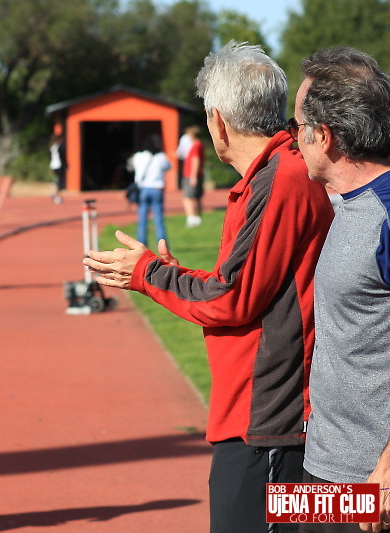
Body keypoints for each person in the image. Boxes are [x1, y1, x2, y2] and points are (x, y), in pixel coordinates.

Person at [83, 41, 333, 533]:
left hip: (269, 425)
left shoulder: (280, 179)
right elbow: (245, 285)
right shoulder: (273, 174)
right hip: (267, 419)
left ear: (217, 121)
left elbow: (231, 300)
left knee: (272, 521)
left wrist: (147, 273)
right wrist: (168, 276)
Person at [292, 47, 390, 533]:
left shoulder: (386, 216)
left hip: (373, 485)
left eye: (297, 129)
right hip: (324, 468)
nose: (294, 142)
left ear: (324, 136)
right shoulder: (346, 204)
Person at [129, 134, 170, 247]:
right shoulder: (161, 157)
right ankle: (163, 246)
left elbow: (131, 166)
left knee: (142, 220)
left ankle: (141, 245)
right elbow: (168, 166)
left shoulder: (138, 156)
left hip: (143, 189)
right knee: (158, 220)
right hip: (157, 189)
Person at [181, 125, 204, 227]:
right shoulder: (199, 144)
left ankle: (191, 218)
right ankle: (198, 217)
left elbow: (196, 160)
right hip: (195, 174)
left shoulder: (195, 145)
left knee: (187, 197)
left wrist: (193, 176)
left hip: (190, 174)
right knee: (196, 197)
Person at [49, 133, 65, 204]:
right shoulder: (59, 147)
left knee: (56, 180)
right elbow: (63, 157)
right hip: (59, 165)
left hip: (53, 165)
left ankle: (55, 194)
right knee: (59, 181)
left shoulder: (52, 147)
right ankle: (57, 196)